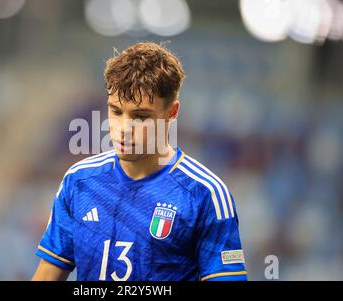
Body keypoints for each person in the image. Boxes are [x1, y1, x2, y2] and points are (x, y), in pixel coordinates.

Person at [32, 42, 247, 281]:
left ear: (172, 112)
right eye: (116, 111)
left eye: (140, 116)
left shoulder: (204, 195)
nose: (124, 129)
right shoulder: (79, 181)